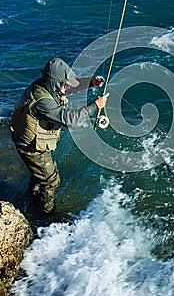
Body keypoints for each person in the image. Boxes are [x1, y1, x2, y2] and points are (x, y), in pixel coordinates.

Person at [10, 58, 108, 214]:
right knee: (51, 180)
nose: (66, 86)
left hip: (28, 138)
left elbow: (68, 88)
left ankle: (33, 200)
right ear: (54, 82)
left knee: (39, 175)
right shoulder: (43, 102)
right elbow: (69, 120)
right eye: (63, 83)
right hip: (30, 146)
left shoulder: (45, 85)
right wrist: (96, 105)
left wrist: (91, 82)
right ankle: (47, 213)